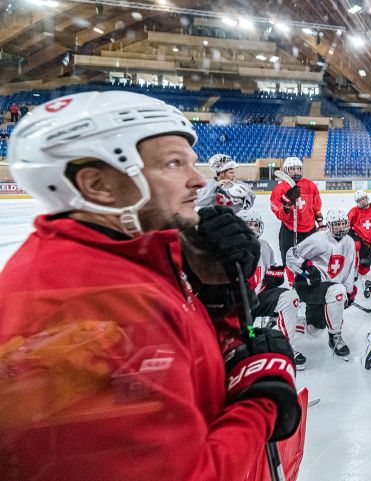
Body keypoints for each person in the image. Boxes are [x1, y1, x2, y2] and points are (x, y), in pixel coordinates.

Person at [0, 91, 302, 480]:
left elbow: (178, 363)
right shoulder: (80, 306)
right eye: (174, 164)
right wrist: (262, 397)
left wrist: (215, 302)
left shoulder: (135, 258)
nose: (197, 180)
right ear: (98, 184)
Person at [238, 210, 307, 370]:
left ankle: (286, 346)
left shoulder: (264, 246)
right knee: (247, 340)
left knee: (291, 297)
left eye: (255, 225)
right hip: (238, 304)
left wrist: (273, 277)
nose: (253, 229)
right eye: (249, 225)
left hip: (258, 298)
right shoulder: (230, 247)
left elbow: (274, 271)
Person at [286, 209, 357, 361]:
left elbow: (350, 268)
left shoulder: (349, 242)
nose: (340, 227)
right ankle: (334, 337)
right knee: (337, 291)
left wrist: (349, 291)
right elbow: (291, 255)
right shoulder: (319, 239)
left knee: (315, 331)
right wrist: (307, 266)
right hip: (310, 286)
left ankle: (306, 325)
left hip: (328, 290)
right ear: (329, 225)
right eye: (336, 224)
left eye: (342, 224)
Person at [270, 156, 323, 265]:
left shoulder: (310, 185)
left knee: (312, 262)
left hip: (310, 230)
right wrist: (288, 201)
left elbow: (316, 207)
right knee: (290, 261)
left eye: (298, 168)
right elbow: (279, 213)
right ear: (286, 171)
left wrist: (321, 224)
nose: (296, 172)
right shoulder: (279, 189)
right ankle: (292, 281)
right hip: (290, 230)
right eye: (292, 169)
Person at [348, 190, 371, 298]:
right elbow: (347, 225)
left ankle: (365, 278)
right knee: (356, 248)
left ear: (367, 198)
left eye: (363, 199)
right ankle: (352, 272)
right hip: (359, 239)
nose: (362, 202)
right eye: (360, 200)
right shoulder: (353, 211)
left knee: (367, 266)